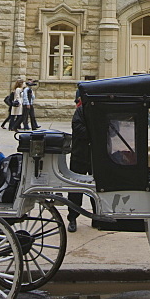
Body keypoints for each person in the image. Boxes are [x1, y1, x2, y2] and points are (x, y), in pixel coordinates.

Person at [67, 91, 92, 233]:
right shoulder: (79, 112)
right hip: (80, 155)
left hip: (94, 156)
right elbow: (79, 130)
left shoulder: (97, 112)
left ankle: (98, 217)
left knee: (97, 187)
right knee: (76, 188)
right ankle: (72, 217)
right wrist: (95, 132)